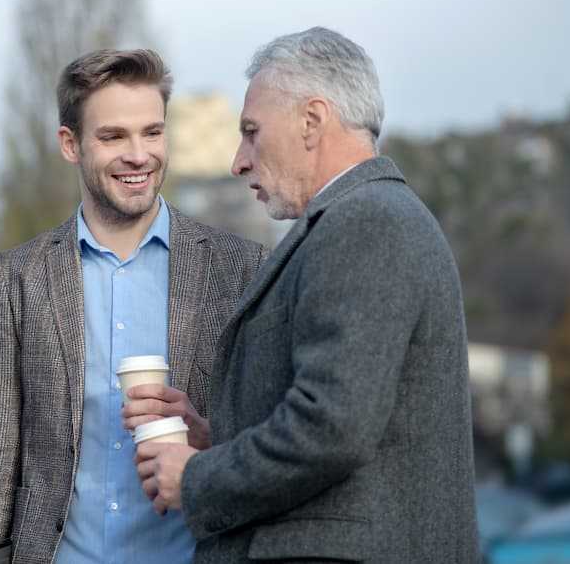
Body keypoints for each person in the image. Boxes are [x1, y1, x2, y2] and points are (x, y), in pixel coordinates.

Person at [136, 28, 480, 563]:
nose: (239, 160)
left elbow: (332, 425)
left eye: (251, 131)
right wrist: (218, 442)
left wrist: (200, 476)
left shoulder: (366, 221)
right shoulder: (357, 220)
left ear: (312, 121)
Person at [0, 48, 266, 564]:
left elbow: (271, 439)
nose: (139, 154)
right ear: (70, 145)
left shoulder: (240, 271)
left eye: (152, 132)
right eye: (113, 136)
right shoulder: (18, 279)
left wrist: (210, 441)